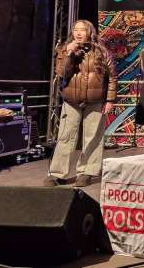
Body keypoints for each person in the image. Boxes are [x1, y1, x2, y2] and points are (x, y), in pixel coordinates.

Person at [45, 20, 116, 187]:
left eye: (82, 30)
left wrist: (110, 100)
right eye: (75, 30)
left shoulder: (101, 50)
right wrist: (69, 54)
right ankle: (57, 173)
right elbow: (61, 73)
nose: (78, 33)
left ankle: (86, 172)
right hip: (71, 101)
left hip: (95, 101)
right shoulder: (65, 49)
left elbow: (112, 77)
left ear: (89, 32)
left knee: (93, 137)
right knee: (65, 136)